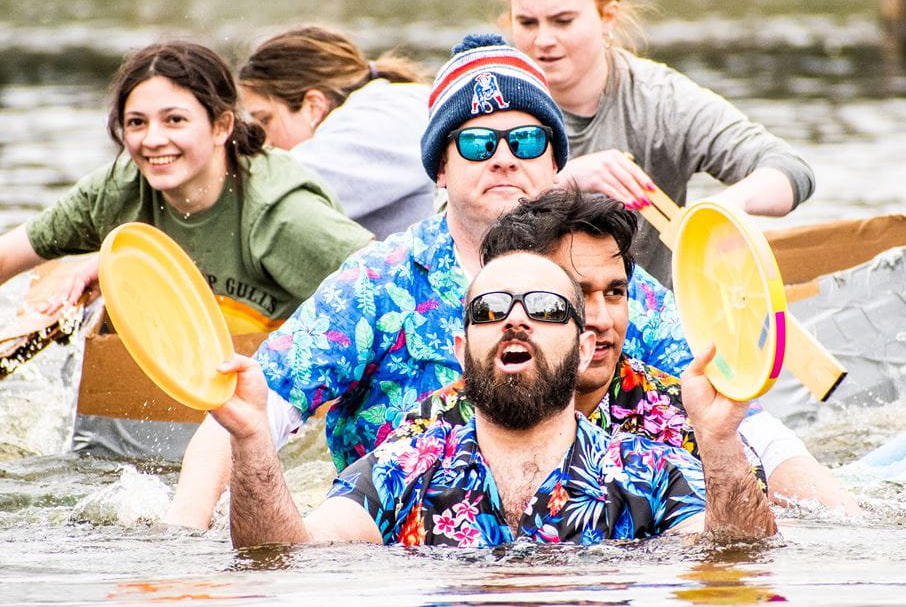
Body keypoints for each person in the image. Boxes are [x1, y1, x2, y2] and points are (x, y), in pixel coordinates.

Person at [165, 33, 699, 528]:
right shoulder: (379, 283)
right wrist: (185, 548)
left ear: (556, 161)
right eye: (476, 144)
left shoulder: (610, 282)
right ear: (440, 168)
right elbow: (246, 414)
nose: (505, 159)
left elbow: (738, 422)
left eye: (527, 140)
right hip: (392, 541)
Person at [0, 41, 372, 458]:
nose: (152, 140)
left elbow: (391, 286)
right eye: (136, 123)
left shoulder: (282, 218)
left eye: (175, 120)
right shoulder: (119, 192)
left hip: (276, 407)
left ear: (222, 126)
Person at [214, 251, 778, 547]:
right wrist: (250, 441)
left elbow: (737, 557)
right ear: (462, 349)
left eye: (544, 308)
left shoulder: (648, 473)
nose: (514, 319)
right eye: (490, 310)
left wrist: (720, 440)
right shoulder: (403, 469)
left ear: (585, 350)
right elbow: (286, 559)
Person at [395, 188, 861, 514]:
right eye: (578, 294)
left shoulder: (681, 420)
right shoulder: (433, 427)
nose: (601, 318)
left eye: (615, 292)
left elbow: (786, 539)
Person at [501, 0, 816, 285]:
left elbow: (791, 171)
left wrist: (718, 213)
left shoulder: (658, 99)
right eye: (527, 23)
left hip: (648, 325)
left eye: (563, 21)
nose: (543, 40)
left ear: (607, 17)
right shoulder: (497, 105)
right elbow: (456, 223)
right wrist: (566, 181)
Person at [238, 26, 434, 239]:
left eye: (265, 120)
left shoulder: (379, 121)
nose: (264, 142)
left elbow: (266, 196)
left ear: (313, 105)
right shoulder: (395, 101)